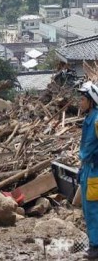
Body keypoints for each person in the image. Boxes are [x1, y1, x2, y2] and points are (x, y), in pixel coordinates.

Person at [77, 81, 98, 259]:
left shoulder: (97, 120)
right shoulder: (89, 119)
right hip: (87, 170)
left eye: (83, 99)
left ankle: (96, 246)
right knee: (88, 209)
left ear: (92, 101)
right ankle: (93, 243)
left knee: (93, 210)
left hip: (95, 171)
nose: (80, 102)